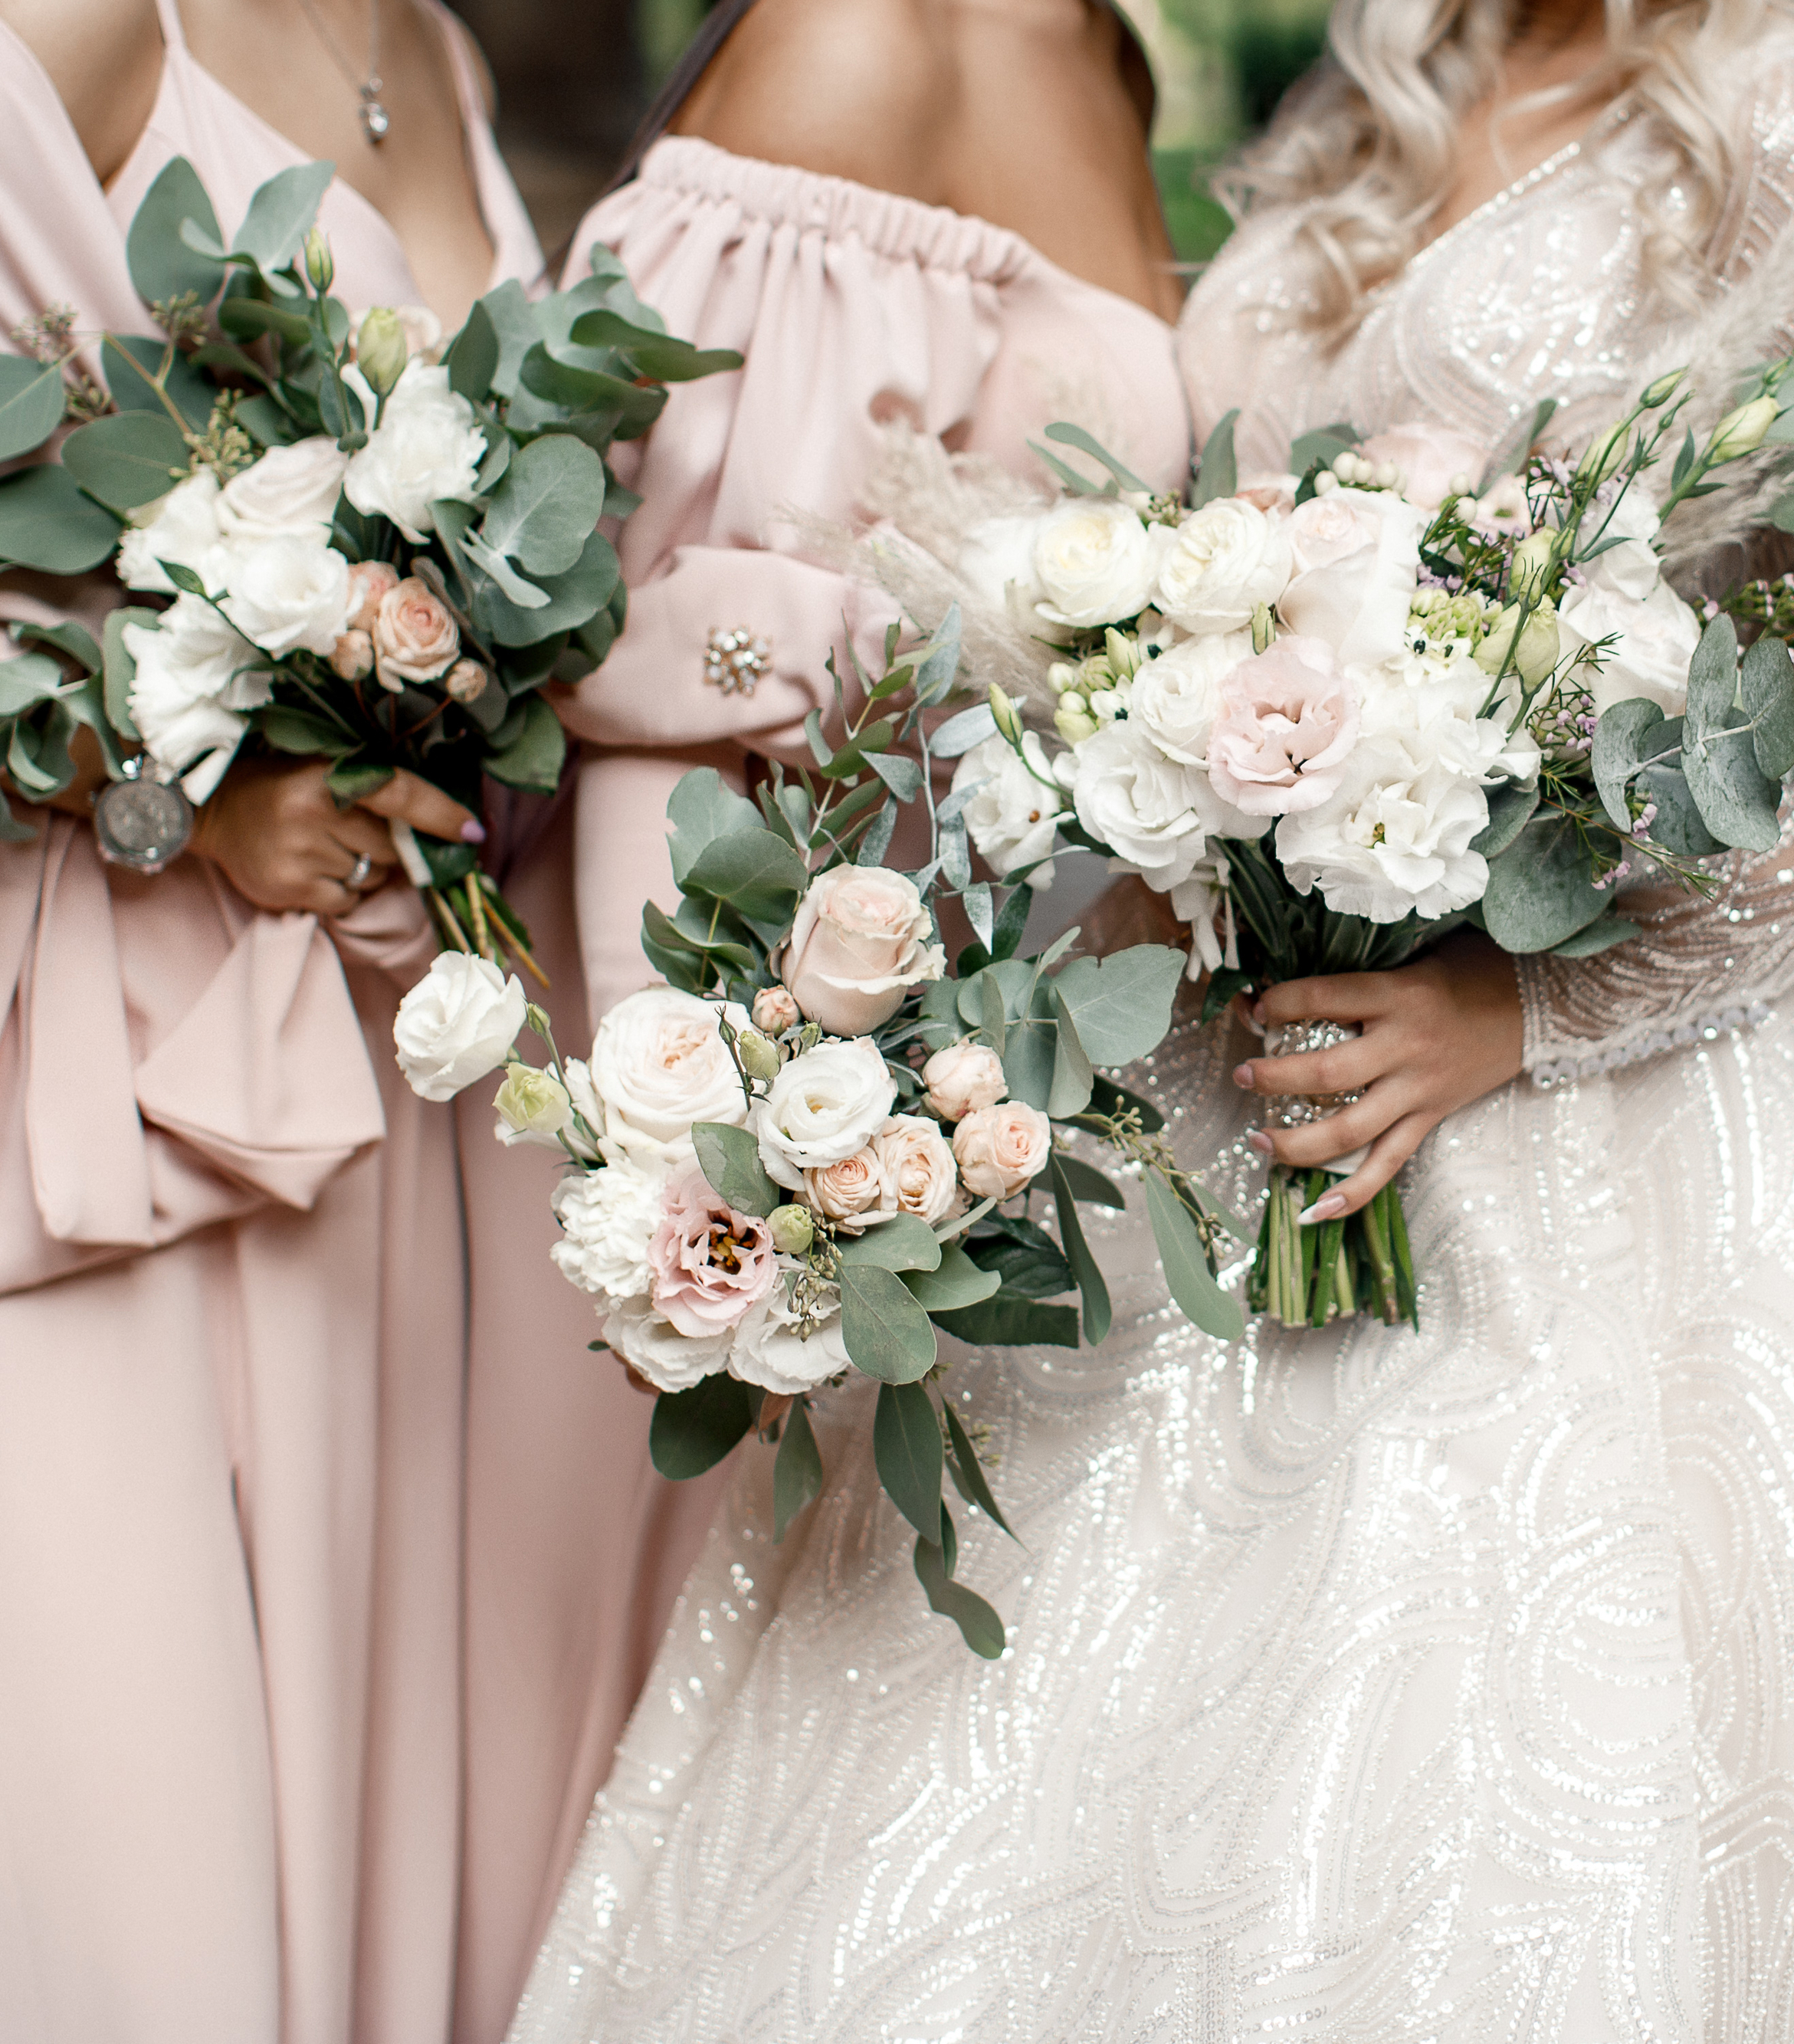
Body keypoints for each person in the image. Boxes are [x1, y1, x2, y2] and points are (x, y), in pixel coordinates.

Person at [509, 0, 1794, 2028]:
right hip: (1205, 1072)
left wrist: (1526, 1005)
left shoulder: (1782, 123)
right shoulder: (1356, 127)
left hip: (1593, 1156)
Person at [441, 2, 1189, 2037]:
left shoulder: (1095, 52)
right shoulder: (852, 40)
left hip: (1024, 1096)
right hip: (786, 1141)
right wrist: (741, 1207)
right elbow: (663, 664)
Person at [0, 2, 530, 2038]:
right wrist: (176, 797)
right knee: (144, 1868)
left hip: (385, 1098)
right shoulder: (83, 27)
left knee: (349, 1792)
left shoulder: (442, 54)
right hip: (121, 1080)